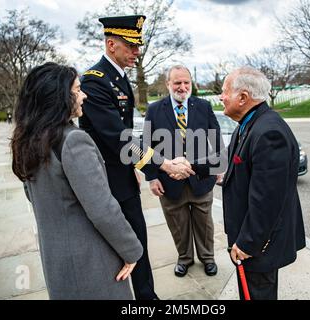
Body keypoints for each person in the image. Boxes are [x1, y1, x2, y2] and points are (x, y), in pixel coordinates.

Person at [79, 15, 193, 300]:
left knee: (137, 242)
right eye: (131, 46)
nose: (136, 52)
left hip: (122, 176)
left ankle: (146, 297)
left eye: (137, 46)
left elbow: (127, 138)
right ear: (111, 44)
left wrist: (139, 165)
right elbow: (119, 138)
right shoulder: (95, 81)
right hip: (105, 182)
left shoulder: (117, 78)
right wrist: (164, 164)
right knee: (117, 248)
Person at [11, 62, 144, 300]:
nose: (84, 95)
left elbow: (34, 196)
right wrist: (132, 251)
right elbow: (103, 209)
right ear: (60, 97)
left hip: (56, 259)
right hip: (91, 262)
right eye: (77, 90)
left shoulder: (29, 140)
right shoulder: (74, 141)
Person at [220, 67, 306, 300]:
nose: (221, 96)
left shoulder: (268, 132)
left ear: (243, 98)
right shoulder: (249, 123)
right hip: (249, 237)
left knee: (258, 293)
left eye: (225, 90)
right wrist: (189, 166)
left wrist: (247, 244)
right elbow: (230, 162)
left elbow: (267, 201)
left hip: (258, 244)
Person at [144, 65, 224, 277]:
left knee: (204, 224)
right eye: (177, 82)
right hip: (168, 181)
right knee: (178, 225)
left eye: (186, 82)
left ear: (191, 84)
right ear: (168, 84)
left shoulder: (204, 106)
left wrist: (219, 167)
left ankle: (207, 258)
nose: (182, 87)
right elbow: (146, 146)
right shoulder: (154, 109)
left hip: (201, 178)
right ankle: (185, 258)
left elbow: (215, 137)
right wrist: (152, 177)